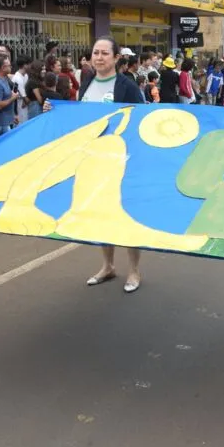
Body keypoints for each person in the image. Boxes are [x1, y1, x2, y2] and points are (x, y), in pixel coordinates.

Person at [75, 36, 144, 292]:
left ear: (116, 58)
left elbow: (140, 119)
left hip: (121, 160)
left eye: (105, 53)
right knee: (101, 213)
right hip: (93, 159)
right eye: (96, 53)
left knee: (125, 215)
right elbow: (77, 119)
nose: (99, 57)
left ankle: (134, 271)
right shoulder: (86, 84)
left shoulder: (126, 86)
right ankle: (108, 266)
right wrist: (54, 110)